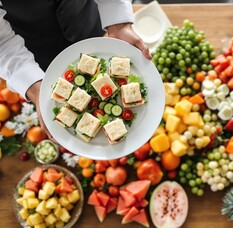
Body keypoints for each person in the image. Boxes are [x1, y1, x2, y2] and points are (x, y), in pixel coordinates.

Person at [0, 0, 151, 140]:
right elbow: (2, 43)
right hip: (36, 49)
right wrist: (34, 88)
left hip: (93, 20)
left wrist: (119, 23)